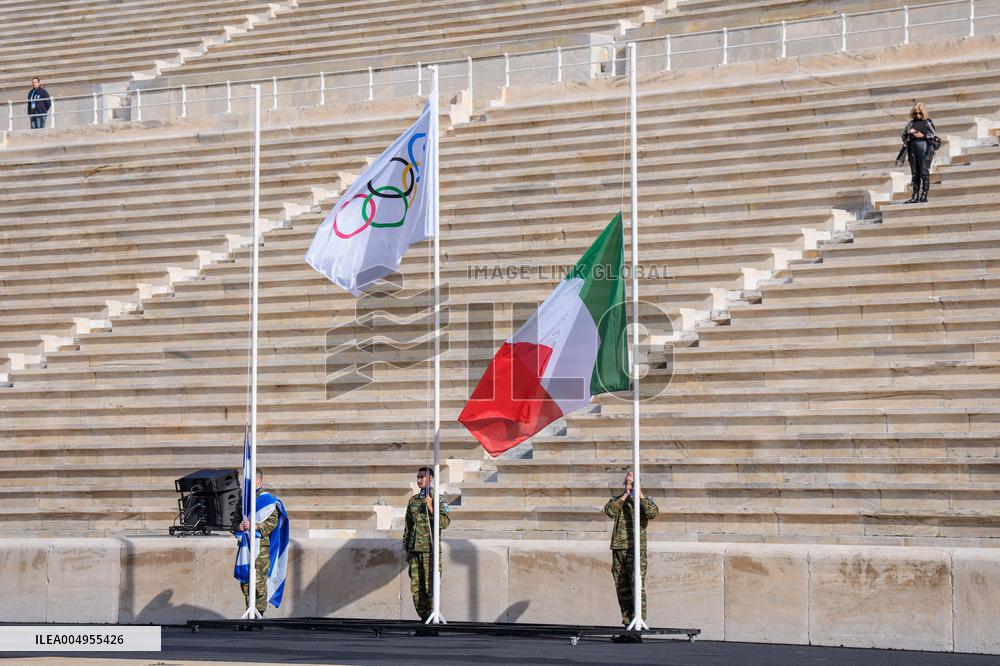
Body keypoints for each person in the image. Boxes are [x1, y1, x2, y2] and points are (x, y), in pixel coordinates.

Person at [603, 471, 658, 640]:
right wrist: (626, 494)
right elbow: (609, 511)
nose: (630, 485)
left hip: (636, 549)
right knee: (622, 586)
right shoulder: (617, 500)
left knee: (637, 585)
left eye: (632, 483)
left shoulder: (645, 500)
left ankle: (638, 623)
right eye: (627, 482)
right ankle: (628, 624)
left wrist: (638, 493)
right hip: (619, 548)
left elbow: (652, 513)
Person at [233, 468, 289, 617]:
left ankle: (259, 615)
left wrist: (254, 526)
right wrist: (238, 527)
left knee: (258, 583)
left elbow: (272, 523)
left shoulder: (268, 500)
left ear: (258, 481)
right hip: (246, 547)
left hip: (261, 548)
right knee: (246, 582)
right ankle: (249, 611)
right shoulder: (244, 501)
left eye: (249, 480)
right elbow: (234, 522)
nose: (245, 483)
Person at [403, 466, 450, 630]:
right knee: (416, 588)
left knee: (431, 587)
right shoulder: (413, 500)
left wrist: (432, 508)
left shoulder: (439, 499)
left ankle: (432, 621)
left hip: (430, 551)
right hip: (415, 550)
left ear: (430, 478)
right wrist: (407, 549)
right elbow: (408, 526)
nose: (419, 480)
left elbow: (444, 523)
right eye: (417, 477)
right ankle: (424, 620)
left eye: (422, 477)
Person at [898, 102, 938, 204]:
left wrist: (922, 136)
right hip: (912, 150)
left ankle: (924, 195)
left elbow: (935, 137)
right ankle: (915, 195)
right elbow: (903, 137)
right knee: (915, 174)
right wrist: (909, 133)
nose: (918, 115)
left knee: (924, 173)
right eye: (916, 113)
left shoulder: (927, 122)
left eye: (920, 113)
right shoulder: (910, 124)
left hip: (925, 150)